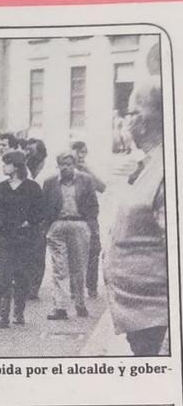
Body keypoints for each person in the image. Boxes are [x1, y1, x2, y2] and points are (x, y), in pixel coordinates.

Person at [105, 76, 168, 355]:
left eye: (129, 113)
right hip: (142, 316)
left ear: (143, 118)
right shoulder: (149, 164)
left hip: (156, 319)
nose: (125, 121)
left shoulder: (166, 170)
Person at [0, 150, 43, 328]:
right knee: (3, 277)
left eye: (6, 163)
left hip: (25, 240)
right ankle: (3, 315)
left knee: (22, 277)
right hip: (3, 239)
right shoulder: (0, 188)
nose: (3, 167)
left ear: (16, 166)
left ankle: (19, 311)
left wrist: (29, 222)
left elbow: (40, 212)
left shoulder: (32, 188)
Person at [42, 151, 99, 320]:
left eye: (69, 164)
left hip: (79, 223)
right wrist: (47, 227)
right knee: (59, 267)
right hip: (57, 224)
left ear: (74, 165)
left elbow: (93, 205)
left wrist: (90, 225)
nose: (66, 167)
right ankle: (60, 307)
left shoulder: (86, 180)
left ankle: (80, 303)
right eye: (62, 164)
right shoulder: (50, 182)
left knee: (79, 267)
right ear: (57, 165)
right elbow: (44, 206)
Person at [70, 141, 107, 299]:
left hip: (89, 217)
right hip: (72, 217)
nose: (80, 155)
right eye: (77, 152)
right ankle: (73, 288)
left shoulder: (87, 171)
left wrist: (87, 170)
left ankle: (91, 286)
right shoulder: (65, 171)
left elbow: (102, 187)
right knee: (72, 253)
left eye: (83, 152)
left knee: (93, 250)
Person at [24, 137, 52, 299]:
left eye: (32, 150)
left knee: (38, 253)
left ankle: (34, 286)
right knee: (24, 252)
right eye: (27, 150)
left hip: (42, 219)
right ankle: (23, 284)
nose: (29, 154)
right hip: (24, 216)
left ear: (41, 153)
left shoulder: (49, 172)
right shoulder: (24, 169)